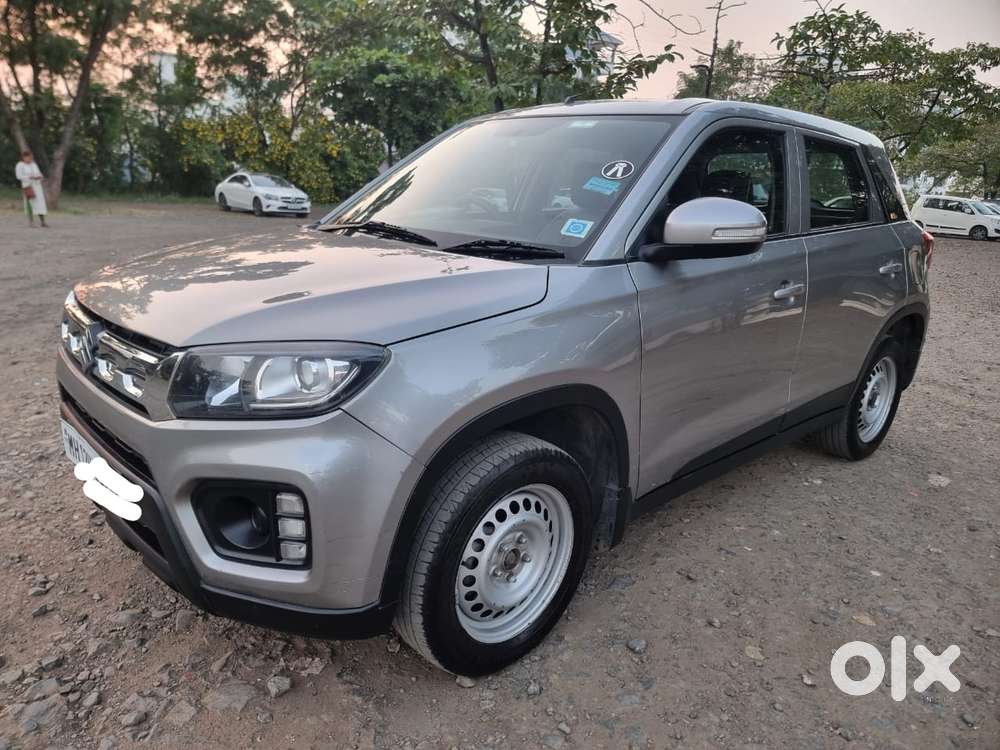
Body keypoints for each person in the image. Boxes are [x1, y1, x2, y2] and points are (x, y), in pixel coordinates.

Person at [15, 150, 48, 227]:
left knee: (40, 204)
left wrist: (40, 177)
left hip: (37, 186)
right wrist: (30, 177)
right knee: (30, 204)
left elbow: (39, 173)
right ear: (24, 157)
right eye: (28, 157)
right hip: (28, 186)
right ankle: (31, 222)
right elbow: (19, 176)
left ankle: (43, 222)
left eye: (31, 157)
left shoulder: (34, 165)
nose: (30, 159)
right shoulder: (20, 165)